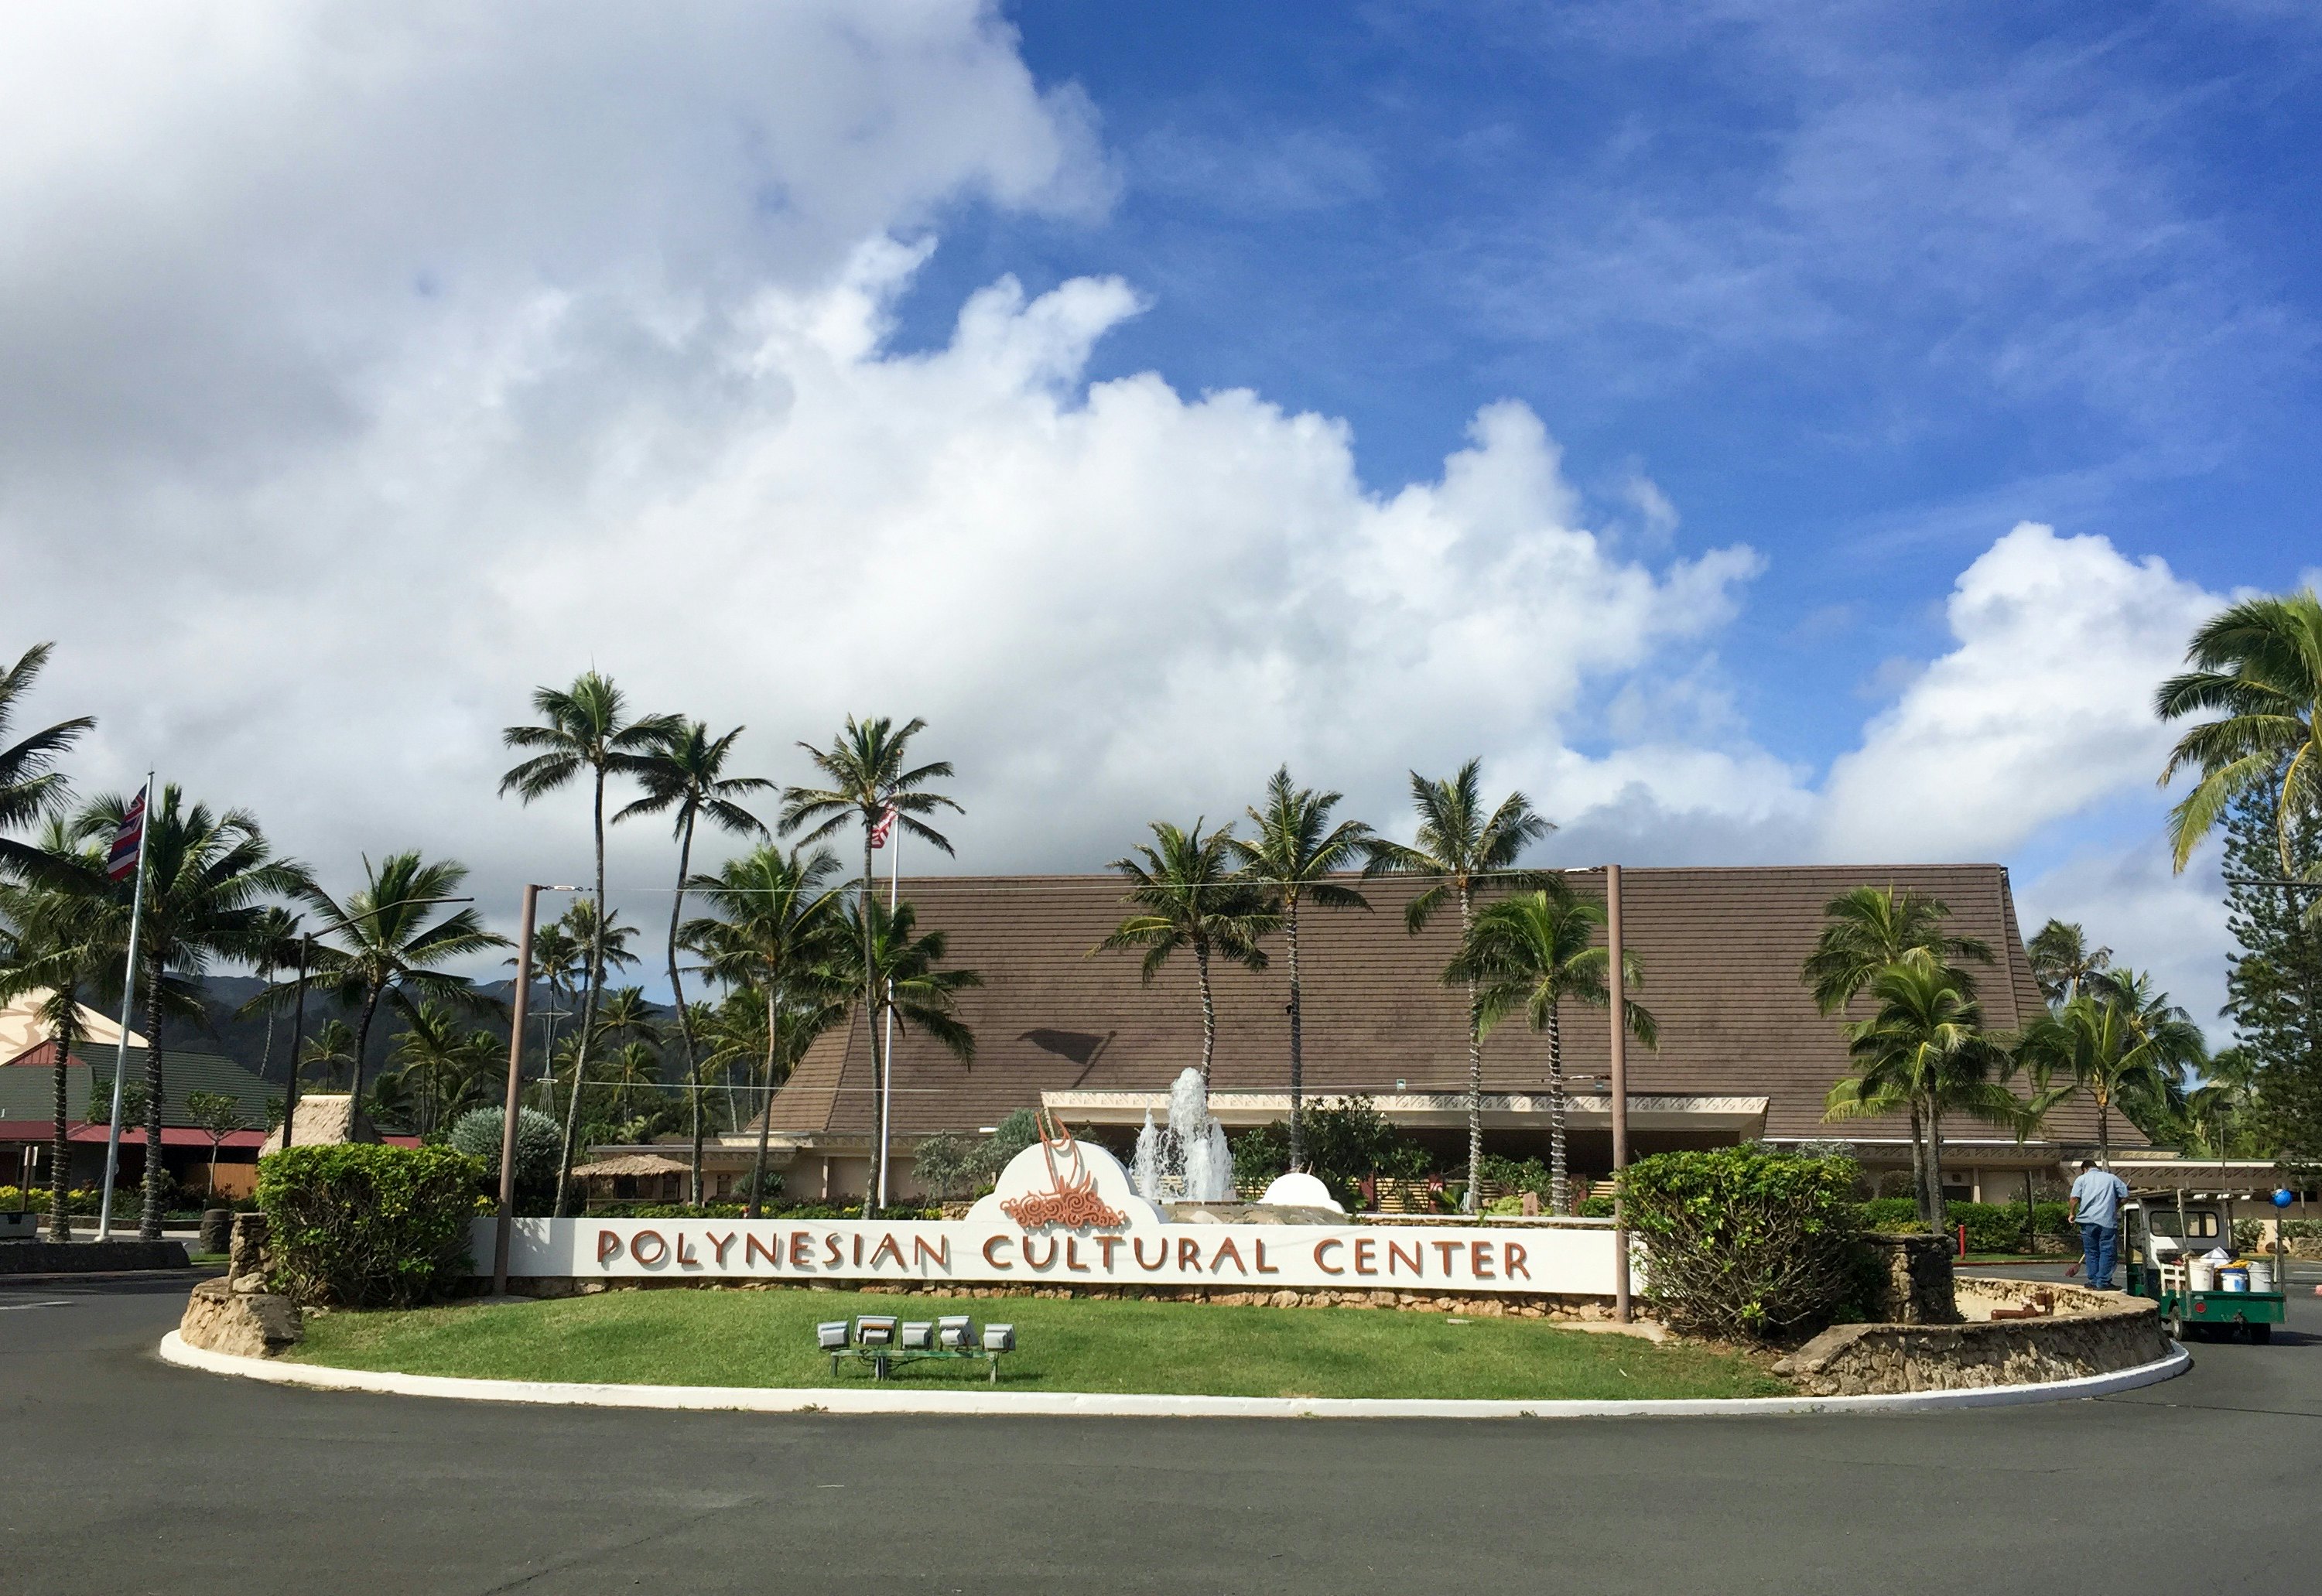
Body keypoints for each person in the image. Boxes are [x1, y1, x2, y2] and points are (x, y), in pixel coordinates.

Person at [2068, 1158, 2130, 1290]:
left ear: (2084, 1169)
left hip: (2087, 1221)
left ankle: (2094, 1281)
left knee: (2091, 1252)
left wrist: (2072, 1214)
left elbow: (2074, 1199)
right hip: (2106, 1221)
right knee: (2107, 1252)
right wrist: (2116, 1207)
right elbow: (2125, 1196)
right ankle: (2103, 1282)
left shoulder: (2081, 1179)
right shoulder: (2111, 1178)